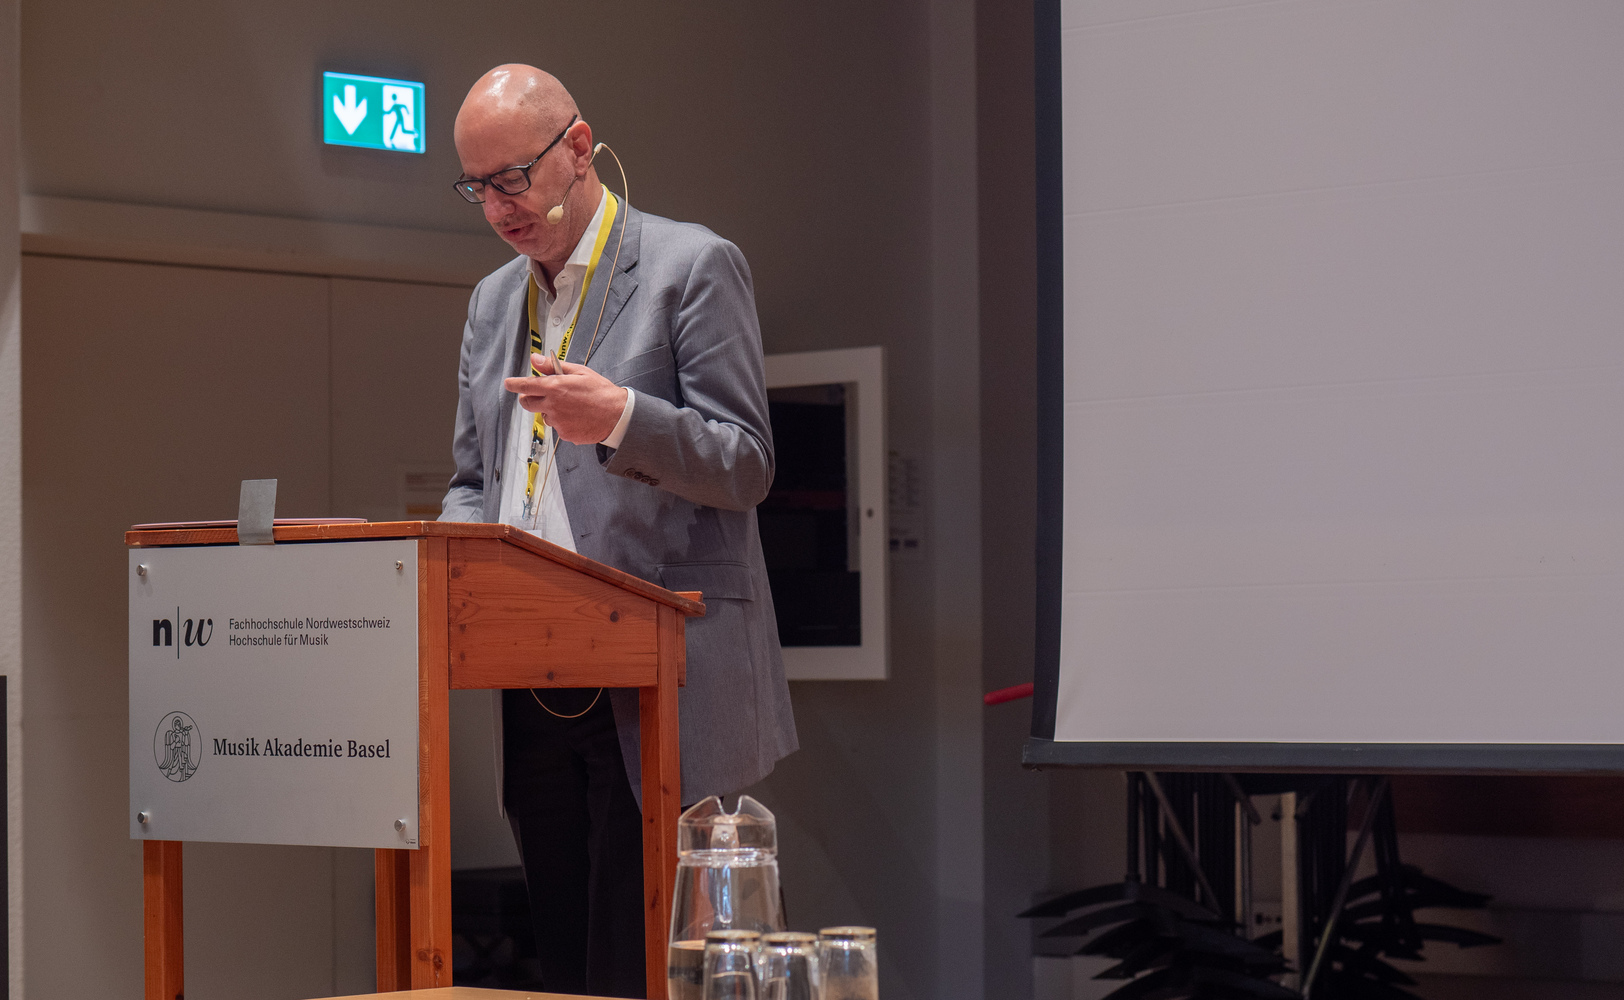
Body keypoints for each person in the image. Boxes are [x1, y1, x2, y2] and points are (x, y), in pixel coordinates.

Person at [440, 65, 798, 997]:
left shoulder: (690, 266)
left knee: (644, 962)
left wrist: (624, 420)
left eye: (511, 179)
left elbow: (747, 463)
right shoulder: (492, 302)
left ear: (577, 147)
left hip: (663, 668)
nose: (498, 208)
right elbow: (474, 482)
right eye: (476, 188)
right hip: (530, 670)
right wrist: (449, 567)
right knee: (567, 958)